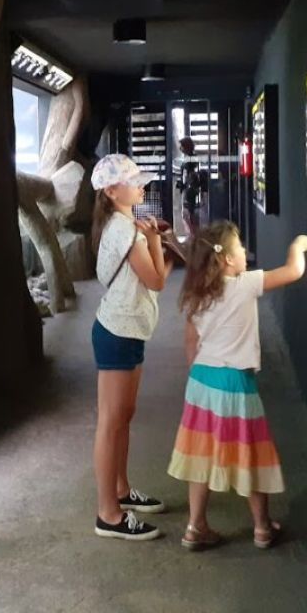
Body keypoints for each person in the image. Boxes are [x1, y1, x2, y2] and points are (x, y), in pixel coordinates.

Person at [167, 222, 307, 551]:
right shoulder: (245, 284)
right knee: (251, 453)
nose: (245, 252)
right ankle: (262, 527)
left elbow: (190, 343)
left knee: (200, 455)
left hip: (201, 381)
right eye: (240, 247)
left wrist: (199, 378)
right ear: (227, 260)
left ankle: (195, 526)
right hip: (235, 381)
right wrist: (299, 246)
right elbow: (293, 271)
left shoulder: (195, 294)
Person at [90, 153, 174, 541]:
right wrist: (156, 241)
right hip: (118, 331)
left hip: (128, 329)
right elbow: (157, 281)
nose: (142, 185)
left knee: (123, 416)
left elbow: (153, 278)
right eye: (133, 180)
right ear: (111, 191)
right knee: (111, 422)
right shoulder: (126, 231)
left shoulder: (124, 225)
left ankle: (122, 491)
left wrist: (153, 242)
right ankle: (108, 513)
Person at [175, 136, 202, 238]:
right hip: (189, 188)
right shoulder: (188, 158)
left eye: (181, 146)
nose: (180, 148)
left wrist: (186, 184)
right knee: (188, 213)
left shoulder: (192, 158)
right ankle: (192, 235)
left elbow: (192, 174)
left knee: (189, 213)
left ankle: (193, 235)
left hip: (191, 189)